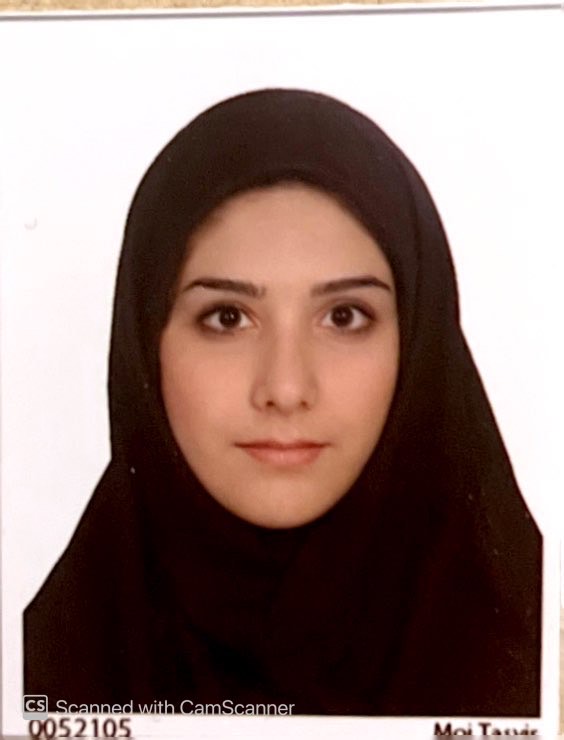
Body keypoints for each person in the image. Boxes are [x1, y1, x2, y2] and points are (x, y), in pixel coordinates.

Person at [24, 89, 542, 716]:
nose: (287, 389)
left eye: (344, 316)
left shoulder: (542, 670)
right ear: (145, 339)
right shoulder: (34, 682)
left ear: (418, 342)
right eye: (227, 317)